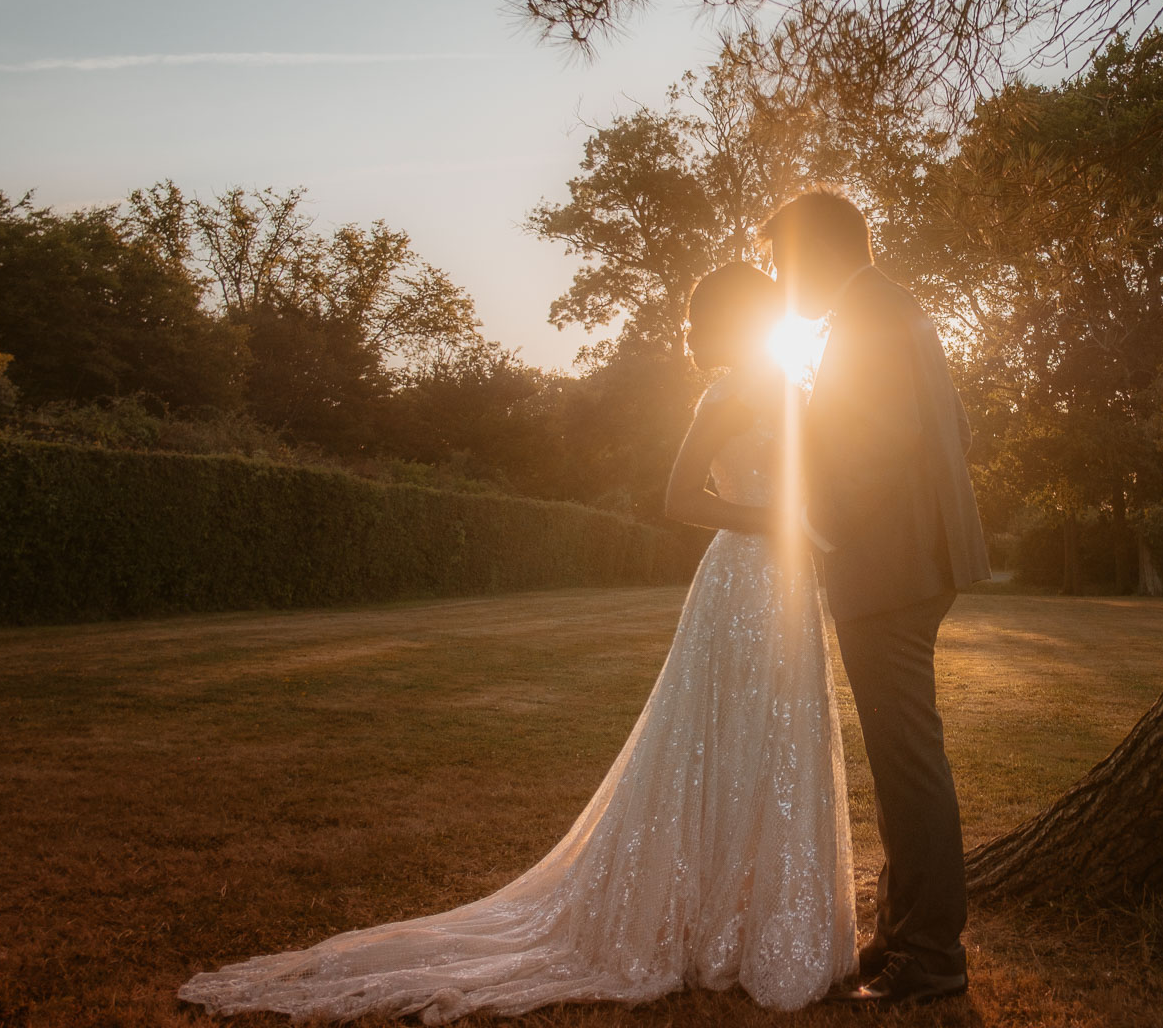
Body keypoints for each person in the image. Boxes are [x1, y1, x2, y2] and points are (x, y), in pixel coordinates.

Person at [178, 262, 856, 1021]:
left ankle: (759, 921)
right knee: (715, 741)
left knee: (778, 740)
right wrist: (777, 521)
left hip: (794, 587)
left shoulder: (796, 392)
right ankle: (700, 923)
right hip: (740, 582)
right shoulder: (726, 396)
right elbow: (676, 497)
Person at [761, 190, 990, 1007]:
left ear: (818, 251)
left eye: (784, 263)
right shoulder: (892, 308)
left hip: (887, 566)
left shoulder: (868, 317)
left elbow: (878, 440)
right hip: (912, 561)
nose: (784, 281)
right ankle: (901, 931)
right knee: (903, 756)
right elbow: (954, 425)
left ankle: (930, 954)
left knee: (907, 760)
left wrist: (815, 521)